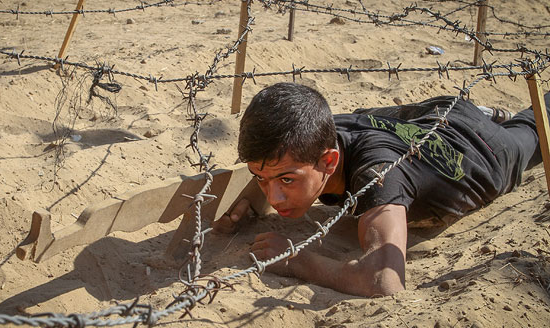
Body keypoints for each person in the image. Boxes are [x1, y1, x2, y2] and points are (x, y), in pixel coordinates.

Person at [213, 82, 548, 297]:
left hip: (483, 150)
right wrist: (246, 200)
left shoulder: (379, 174)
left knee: (535, 125)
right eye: (260, 178)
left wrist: (295, 260)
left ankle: (499, 119)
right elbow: (274, 168)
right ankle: (486, 112)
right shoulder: (319, 129)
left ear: (329, 161)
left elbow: (383, 281)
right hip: (430, 115)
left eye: (287, 180)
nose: (274, 197)